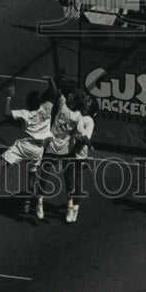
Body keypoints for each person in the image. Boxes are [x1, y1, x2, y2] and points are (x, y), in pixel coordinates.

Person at [0, 82, 53, 213]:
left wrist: (9, 97)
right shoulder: (47, 108)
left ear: (28, 103)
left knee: (1, 162)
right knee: (32, 176)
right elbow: (53, 92)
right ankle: (27, 203)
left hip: (24, 146)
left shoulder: (24, 112)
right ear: (39, 102)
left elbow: (7, 113)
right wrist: (51, 82)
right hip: (38, 150)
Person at [36, 87, 95, 223]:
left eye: (73, 95)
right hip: (55, 147)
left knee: (72, 181)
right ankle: (39, 202)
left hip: (74, 152)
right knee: (44, 174)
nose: (70, 96)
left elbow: (82, 136)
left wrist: (88, 145)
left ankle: (72, 206)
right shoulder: (64, 106)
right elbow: (58, 92)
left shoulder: (84, 119)